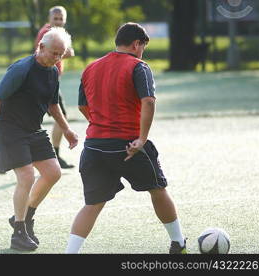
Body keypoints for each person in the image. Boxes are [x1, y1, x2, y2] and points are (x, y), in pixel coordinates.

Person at [65, 22, 187, 254]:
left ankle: (70, 255)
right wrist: (141, 139)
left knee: (92, 205)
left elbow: (82, 105)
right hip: (129, 145)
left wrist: (102, 122)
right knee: (158, 189)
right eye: (142, 47)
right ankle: (178, 242)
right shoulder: (139, 67)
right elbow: (148, 101)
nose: (142, 52)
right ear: (136, 44)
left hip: (94, 147)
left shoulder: (90, 68)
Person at [0, 27, 78, 251]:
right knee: (26, 176)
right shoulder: (22, 69)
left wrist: (67, 130)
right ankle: (18, 232)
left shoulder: (53, 71)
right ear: (41, 47)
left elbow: (53, 105)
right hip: (9, 129)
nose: (57, 58)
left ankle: (26, 216)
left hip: (33, 129)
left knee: (53, 173)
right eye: (54, 53)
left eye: (60, 54)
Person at [34, 5, 75, 169]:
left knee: (34, 118)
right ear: (49, 18)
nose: (58, 21)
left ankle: (54, 154)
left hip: (51, 81)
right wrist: (67, 52)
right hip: (44, 81)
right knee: (60, 116)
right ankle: (54, 155)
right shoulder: (47, 33)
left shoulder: (57, 33)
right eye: (55, 18)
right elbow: (44, 53)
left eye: (61, 19)